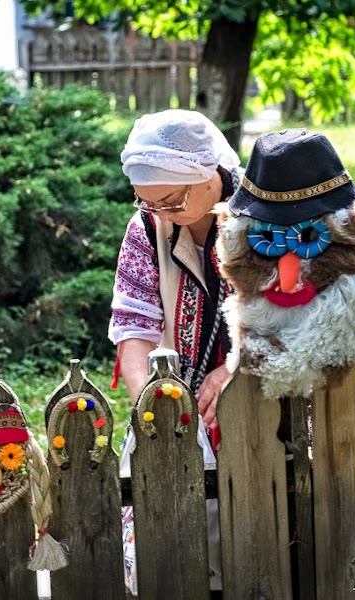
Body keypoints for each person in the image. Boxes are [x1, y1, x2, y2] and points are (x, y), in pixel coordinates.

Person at [110, 109, 242, 595]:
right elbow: (134, 326)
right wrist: (154, 405)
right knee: (169, 549)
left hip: (259, 402)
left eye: (171, 201)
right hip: (178, 401)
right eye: (147, 202)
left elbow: (289, 315)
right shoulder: (147, 228)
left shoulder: (263, 219)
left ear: (208, 174)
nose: (160, 214)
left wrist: (235, 368)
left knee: (254, 537)